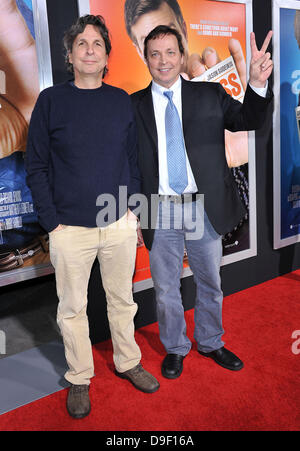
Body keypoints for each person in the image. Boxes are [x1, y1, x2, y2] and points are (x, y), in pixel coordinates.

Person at [25, 14, 159, 420]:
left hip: (118, 223)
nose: (88, 50)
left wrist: (134, 211)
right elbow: (36, 166)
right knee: (72, 308)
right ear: (69, 54)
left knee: (122, 300)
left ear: (106, 56)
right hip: (69, 229)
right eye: (81, 43)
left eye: (97, 44)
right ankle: (80, 376)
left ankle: (128, 361)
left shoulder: (121, 100)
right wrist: (51, 222)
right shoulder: (50, 101)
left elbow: (133, 161)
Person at [131, 25, 273, 379]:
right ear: (146, 59)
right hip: (158, 207)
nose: (163, 61)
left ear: (181, 54)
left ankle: (211, 341)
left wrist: (255, 84)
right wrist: (133, 209)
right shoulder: (131, 104)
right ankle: (175, 347)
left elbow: (248, 119)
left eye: (170, 52)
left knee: (210, 281)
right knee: (165, 289)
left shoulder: (210, 94)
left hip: (202, 206)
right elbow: (126, 161)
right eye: (155, 54)